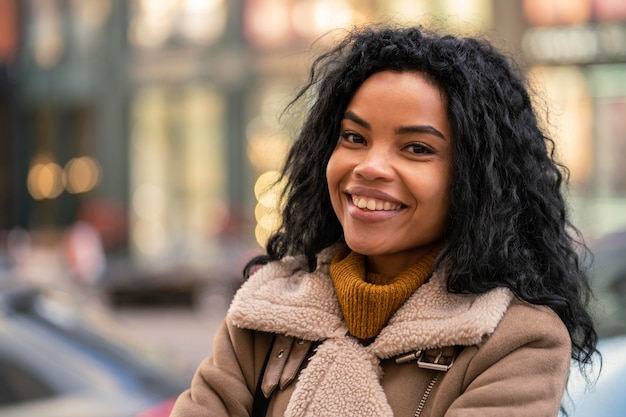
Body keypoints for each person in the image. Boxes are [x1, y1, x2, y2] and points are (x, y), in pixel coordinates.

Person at [170, 24, 598, 417]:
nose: (370, 167)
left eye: (416, 148)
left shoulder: (516, 338)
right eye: (354, 138)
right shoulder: (265, 310)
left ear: (478, 179)